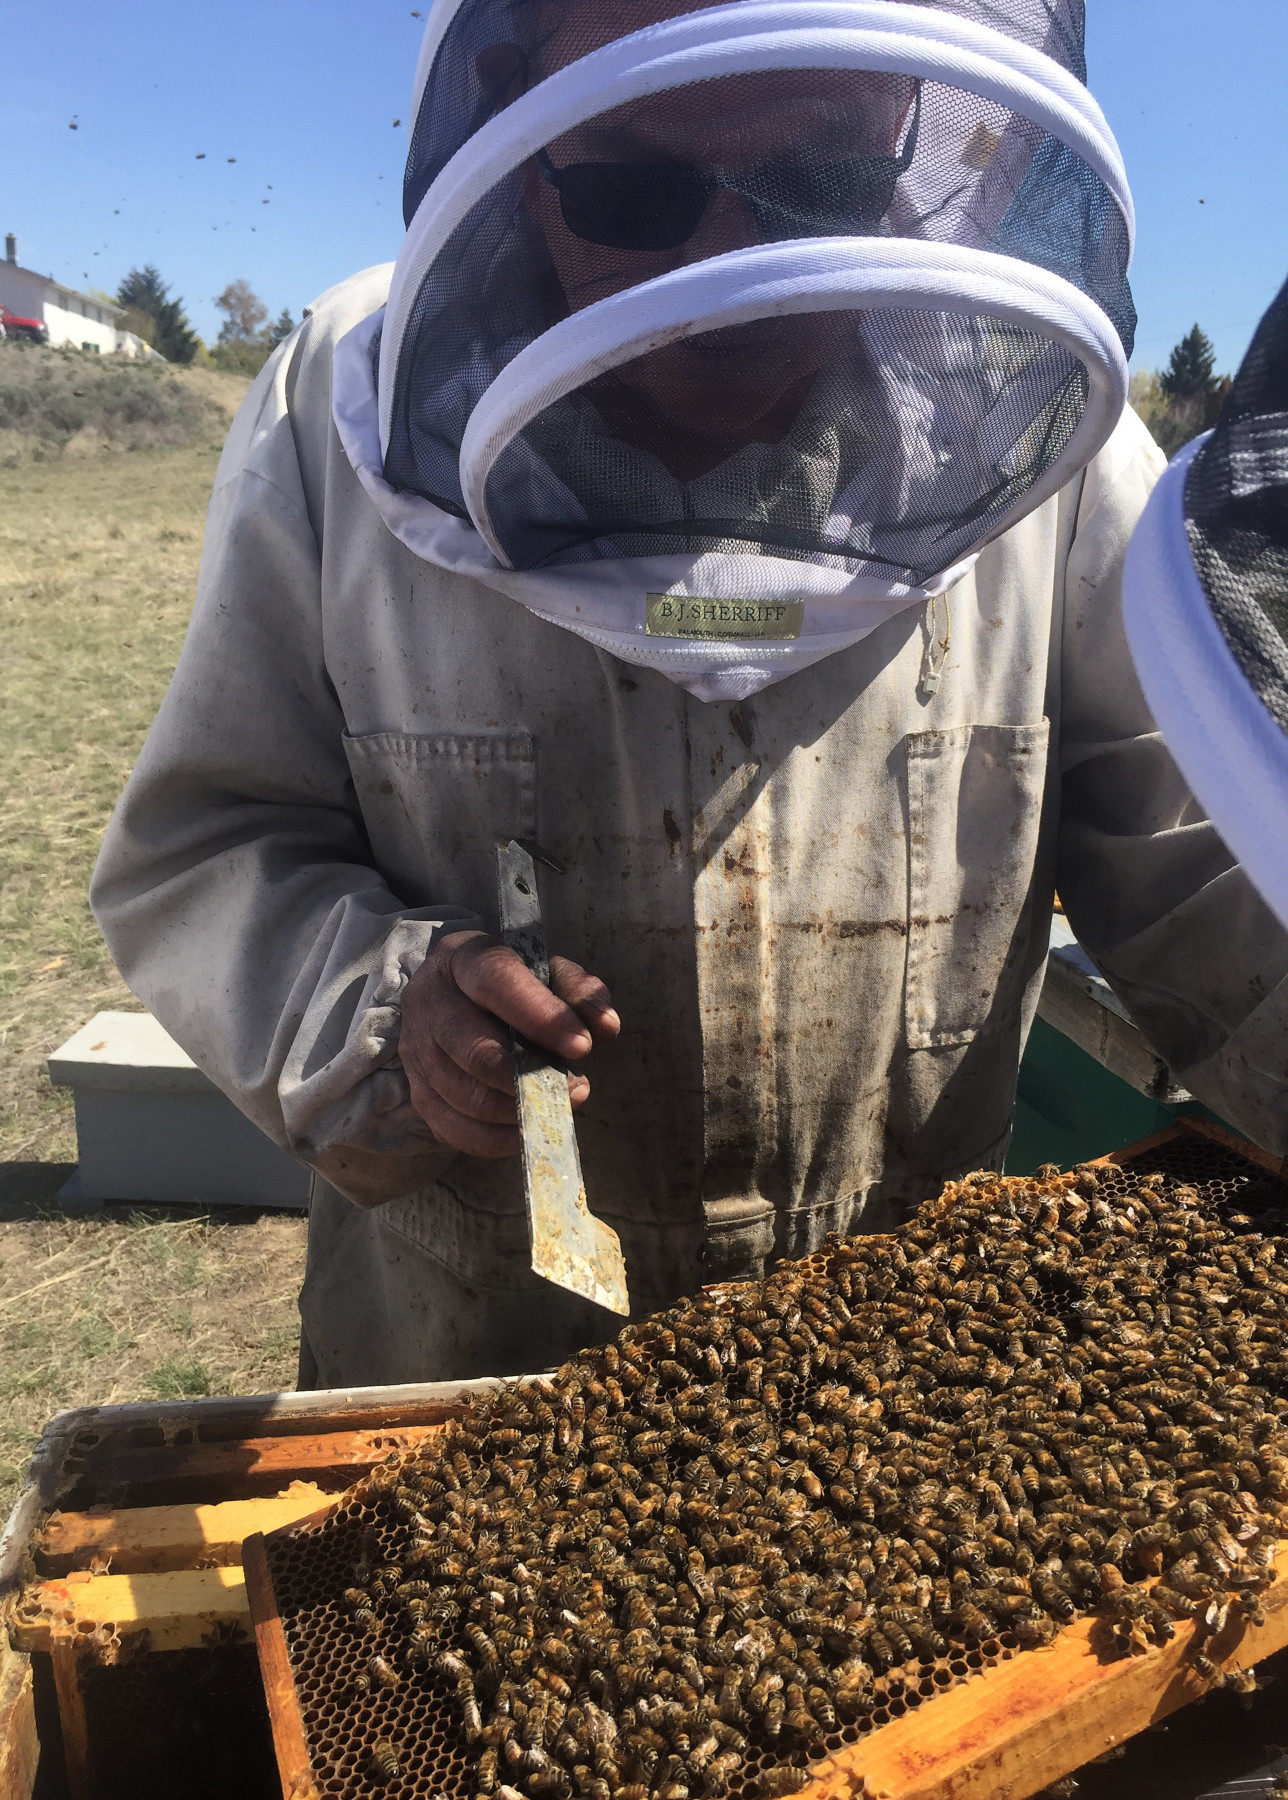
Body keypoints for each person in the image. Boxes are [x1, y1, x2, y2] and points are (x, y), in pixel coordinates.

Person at [91, 0, 1288, 1390]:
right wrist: (383, 1009)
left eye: (817, 183)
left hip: (900, 1372)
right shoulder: (334, 409)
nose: (733, 266)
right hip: (463, 1356)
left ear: (910, 133)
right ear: (505, 117)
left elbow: (1215, 873)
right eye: (637, 189)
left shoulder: (1038, 443)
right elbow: (214, 846)